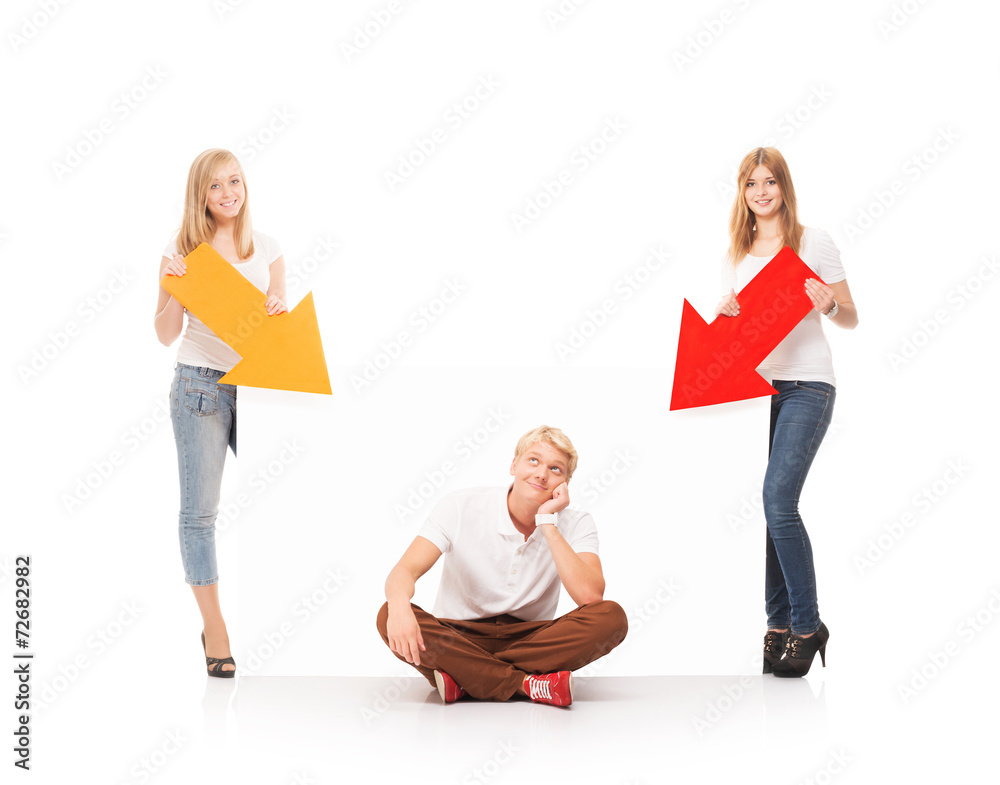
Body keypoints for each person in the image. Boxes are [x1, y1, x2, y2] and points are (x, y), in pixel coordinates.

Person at [714, 147, 858, 677]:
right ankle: (777, 627)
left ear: (784, 187)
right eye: (751, 183)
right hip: (771, 389)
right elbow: (738, 335)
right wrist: (724, 314)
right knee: (777, 508)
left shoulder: (812, 241)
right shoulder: (738, 249)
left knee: (778, 498)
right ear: (742, 191)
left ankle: (807, 625)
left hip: (811, 385)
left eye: (770, 181)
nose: (761, 192)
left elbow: (852, 318)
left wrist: (830, 306)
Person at [154, 148, 287, 677]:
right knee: (200, 514)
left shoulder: (269, 248)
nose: (228, 193)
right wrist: (172, 290)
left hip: (261, 389)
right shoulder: (183, 250)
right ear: (200, 195)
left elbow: (275, 334)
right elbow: (165, 335)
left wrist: (277, 306)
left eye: (235, 181)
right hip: (200, 386)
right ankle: (216, 627)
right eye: (215, 186)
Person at [377, 426, 628, 706]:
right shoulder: (460, 506)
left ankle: (465, 677)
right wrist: (399, 605)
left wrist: (548, 523)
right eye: (533, 460)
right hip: (458, 637)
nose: (542, 474)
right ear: (513, 465)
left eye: (555, 469)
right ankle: (525, 684)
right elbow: (405, 570)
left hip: (532, 640)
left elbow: (591, 598)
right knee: (388, 613)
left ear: (565, 484)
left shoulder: (577, 523)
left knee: (612, 617)